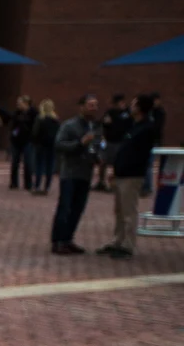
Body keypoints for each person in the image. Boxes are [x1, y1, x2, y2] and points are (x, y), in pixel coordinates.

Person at [103, 94, 158, 259]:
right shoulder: (134, 125)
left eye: (134, 104)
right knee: (119, 210)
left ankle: (128, 245)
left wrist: (122, 168)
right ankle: (117, 241)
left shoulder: (147, 128)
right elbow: (123, 147)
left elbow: (137, 155)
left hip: (132, 175)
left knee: (129, 211)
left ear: (140, 108)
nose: (130, 107)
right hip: (122, 173)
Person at [50, 93, 102, 255]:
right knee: (65, 207)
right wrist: (80, 143)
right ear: (81, 107)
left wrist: (98, 157)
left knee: (78, 208)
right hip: (70, 173)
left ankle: (68, 239)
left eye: (95, 105)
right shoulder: (69, 125)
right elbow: (59, 144)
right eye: (90, 105)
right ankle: (58, 241)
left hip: (85, 173)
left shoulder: (95, 127)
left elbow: (97, 146)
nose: (94, 108)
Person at [96, 92, 130, 192]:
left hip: (120, 142)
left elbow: (127, 125)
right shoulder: (110, 112)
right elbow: (102, 122)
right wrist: (105, 122)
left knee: (117, 163)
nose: (120, 105)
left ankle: (114, 184)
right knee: (102, 162)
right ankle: (101, 182)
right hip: (108, 141)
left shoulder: (127, 113)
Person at [31, 98, 59, 195]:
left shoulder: (40, 118)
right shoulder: (56, 119)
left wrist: (35, 142)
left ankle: (37, 186)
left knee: (39, 165)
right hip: (52, 146)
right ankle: (47, 187)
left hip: (41, 145)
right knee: (49, 167)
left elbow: (35, 132)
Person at [9, 94, 37, 191]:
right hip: (16, 141)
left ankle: (28, 184)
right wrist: (13, 135)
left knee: (28, 163)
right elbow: (13, 126)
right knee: (15, 162)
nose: (18, 105)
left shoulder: (34, 114)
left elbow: (35, 128)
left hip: (28, 141)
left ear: (26, 104)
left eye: (20, 103)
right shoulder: (16, 113)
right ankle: (13, 182)